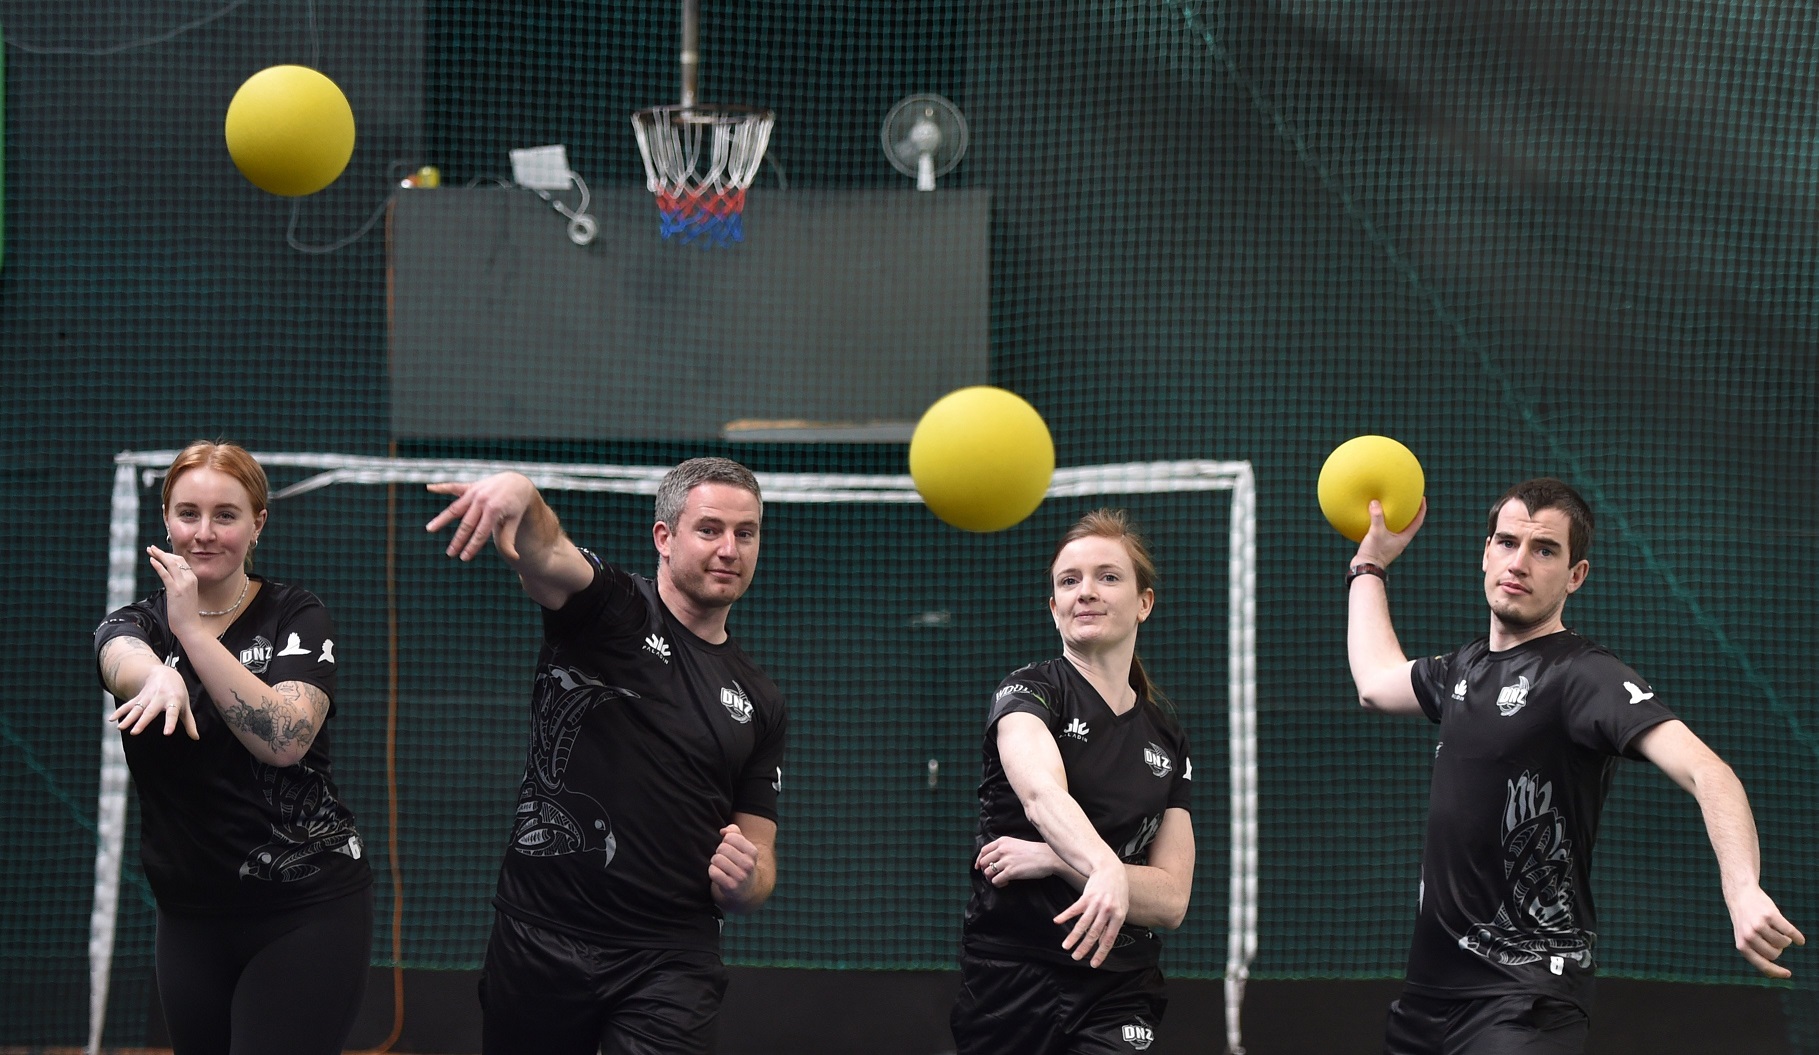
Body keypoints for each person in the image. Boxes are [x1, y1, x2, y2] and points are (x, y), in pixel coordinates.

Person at [1346, 477, 1804, 1054]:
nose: (1519, 562)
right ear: (1485, 553)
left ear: (1575, 576)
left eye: (1545, 550)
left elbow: (1708, 771)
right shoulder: (1464, 667)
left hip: (1525, 999)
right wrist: (1370, 565)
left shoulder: (1585, 676)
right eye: (1507, 542)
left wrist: (1742, 889)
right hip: (1427, 1000)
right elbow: (1374, 683)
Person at [426, 457, 787, 1055]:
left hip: (672, 957)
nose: (729, 548)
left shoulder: (761, 699)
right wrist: (523, 497)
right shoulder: (612, 608)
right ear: (664, 538)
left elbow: (760, 853)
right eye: (710, 529)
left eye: (744, 533)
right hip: (542, 935)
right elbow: (549, 557)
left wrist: (748, 882)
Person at [94, 441, 371, 1055]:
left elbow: (285, 740)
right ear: (165, 518)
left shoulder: (295, 615)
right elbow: (122, 661)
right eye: (188, 513)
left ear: (257, 524)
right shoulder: (132, 625)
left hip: (304, 908)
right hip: (189, 914)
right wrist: (157, 675)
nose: (204, 533)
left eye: (226, 515)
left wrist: (192, 633)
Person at [950, 508, 1196, 1055]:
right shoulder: (1028, 692)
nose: (1086, 591)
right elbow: (1041, 796)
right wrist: (1106, 866)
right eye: (1070, 581)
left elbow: (1172, 900)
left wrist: (1062, 861)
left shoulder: (1166, 735)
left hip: (1120, 982)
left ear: (1144, 604)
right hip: (1013, 974)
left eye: (1108, 577)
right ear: (1054, 608)